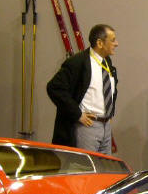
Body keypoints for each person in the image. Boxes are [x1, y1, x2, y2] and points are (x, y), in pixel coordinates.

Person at [47, 24, 118, 154]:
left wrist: (109, 112)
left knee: (104, 166)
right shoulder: (77, 62)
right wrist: (77, 114)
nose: (116, 44)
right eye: (113, 40)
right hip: (87, 126)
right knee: (85, 165)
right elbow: (54, 88)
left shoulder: (107, 62)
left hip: (105, 126)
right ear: (100, 43)